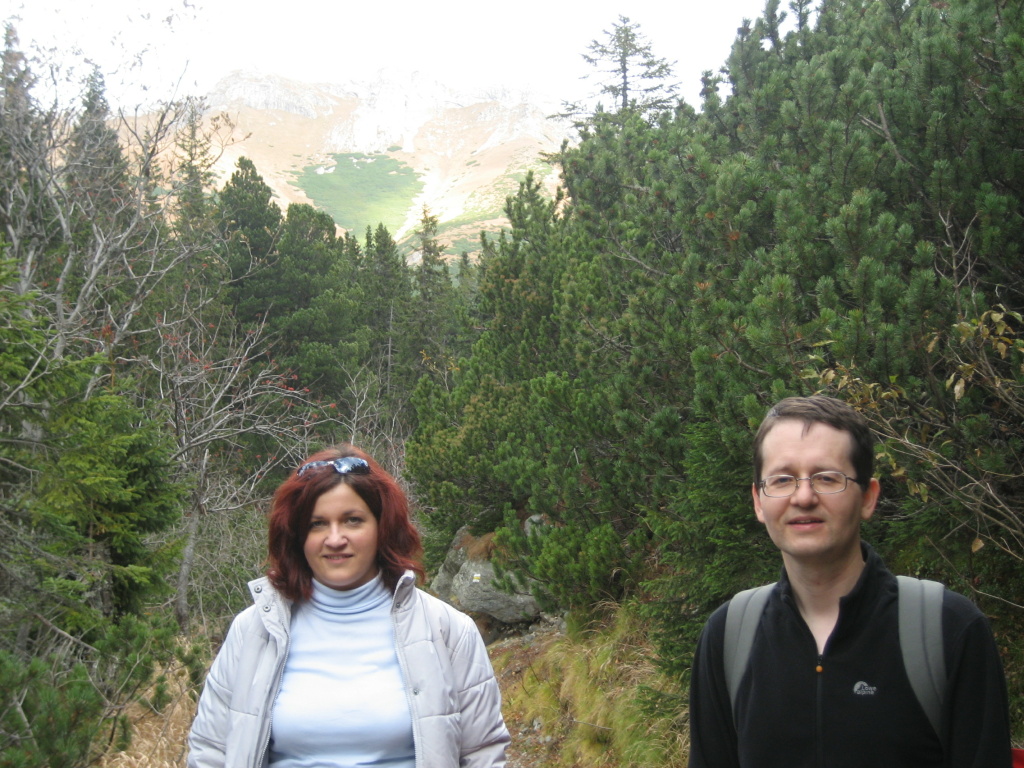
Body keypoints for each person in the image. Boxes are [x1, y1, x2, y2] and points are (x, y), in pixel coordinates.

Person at [688, 396, 1011, 768]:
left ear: (868, 498)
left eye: (827, 478)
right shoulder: (728, 636)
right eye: (782, 479)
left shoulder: (948, 629)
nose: (803, 497)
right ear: (759, 501)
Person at [187, 445, 510, 768]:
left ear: (382, 527)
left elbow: (483, 754)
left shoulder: (448, 631)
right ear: (297, 535)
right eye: (317, 524)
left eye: (352, 520)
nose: (335, 538)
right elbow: (210, 751)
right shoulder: (254, 632)